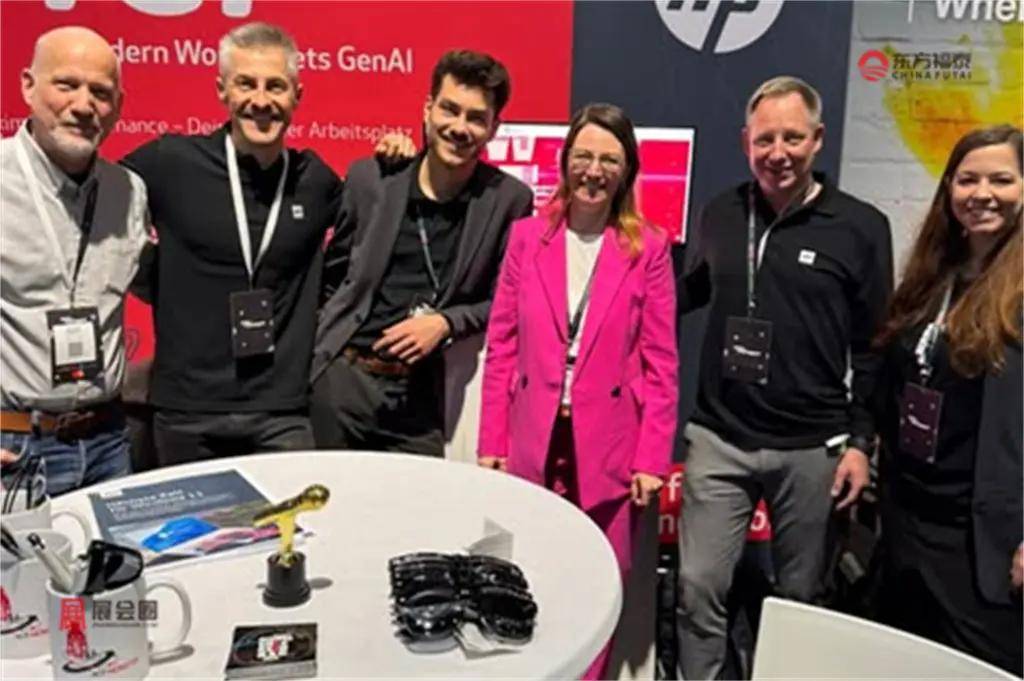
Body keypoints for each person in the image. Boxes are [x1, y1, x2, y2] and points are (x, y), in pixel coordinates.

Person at [675, 76, 893, 679]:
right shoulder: (721, 213)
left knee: (802, 600)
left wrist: (860, 443)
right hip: (720, 438)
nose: (778, 153)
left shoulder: (861, 226)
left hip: (812, 447)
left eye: (793, 138)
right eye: (765, 139)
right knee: (697, 586)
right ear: (745, 142)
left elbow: (874, 346)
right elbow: (685, 292)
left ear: (817, 139)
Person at [123, 22, 394, 466]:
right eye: (246, 84)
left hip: (282, 412)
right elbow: (97, 208)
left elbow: (363, 248)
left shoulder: (315, 180)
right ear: (222, 90)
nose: (262, 100)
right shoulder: (171, 162)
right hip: (186, 411)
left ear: (297, 95)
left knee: (294, 515)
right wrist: (152, 280)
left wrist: (395, 160)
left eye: (276, 86)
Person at [477, 103, 678, 679]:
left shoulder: (649, 248)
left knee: (600, 583)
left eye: (609, 160)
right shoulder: (526, 238)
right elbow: (502, 344)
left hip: (610, 445)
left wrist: (652, 458)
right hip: (535, 437)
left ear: (627, 169)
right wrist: (492, 439)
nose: (594, 171)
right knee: (531, 572)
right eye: (584, 156)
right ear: (565, 162)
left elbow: (662, 361)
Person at [311, 50, 533, 457]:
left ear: (494, 128)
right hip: (341, 382)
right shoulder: (371, 179)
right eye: (450, 109)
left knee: (419, 498)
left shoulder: (509, 200)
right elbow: (331, 278)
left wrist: (446, 323)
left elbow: (507, 301)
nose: (459, 127)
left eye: (476, 117)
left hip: (423, 395)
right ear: (428, 109)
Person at [872, 125, 1022, 675]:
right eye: (967, 180)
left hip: (982, 538)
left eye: (1001, 180)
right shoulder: (932, 276)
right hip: (907, 519)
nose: (982, 193)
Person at [0, 27, 148, 494]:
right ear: (28, 86)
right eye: (66, 84)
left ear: (118, 106)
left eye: (100, 93)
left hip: (109, 443)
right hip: (15, 445)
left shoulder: (129, 191)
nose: (83, 105)